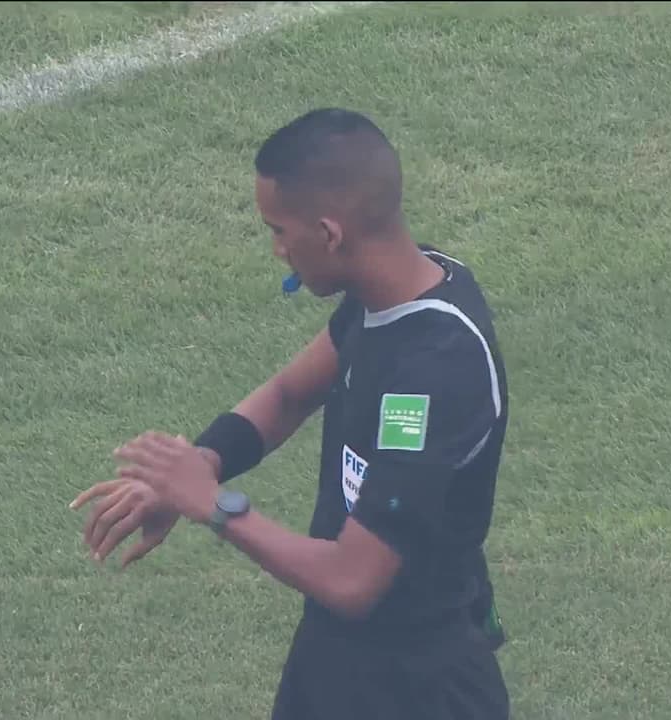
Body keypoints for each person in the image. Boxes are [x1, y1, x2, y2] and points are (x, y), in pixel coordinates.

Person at [70, 108, 511, 720]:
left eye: (278, 230)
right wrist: (199, 464)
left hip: (419, 685)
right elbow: (289, 394)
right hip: (335, 658)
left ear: (329, 233)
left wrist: (214, 504)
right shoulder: (386, 294)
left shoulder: (434, 372)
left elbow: (353, 582)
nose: (277, 250)